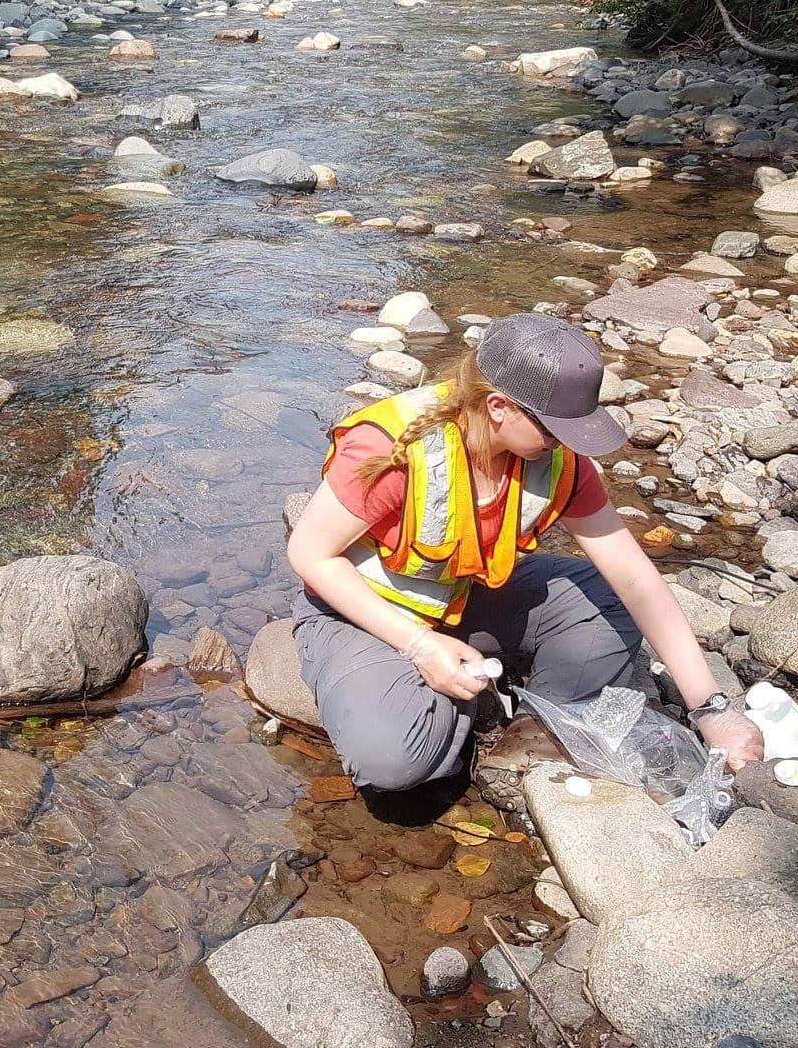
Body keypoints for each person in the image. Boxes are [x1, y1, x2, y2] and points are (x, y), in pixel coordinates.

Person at [285, 311, 763, 792]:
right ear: (498, 407)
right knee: (390, 763)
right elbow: (309, 553)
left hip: (465, 598)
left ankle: (534, 728)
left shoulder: (557, 462)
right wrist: (420, 646)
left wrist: (711, 708)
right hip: (361, 612)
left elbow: (635, 578)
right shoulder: (391, 450)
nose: (565, 444)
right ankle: (469, 699)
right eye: (554, 430)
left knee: (608, 598)